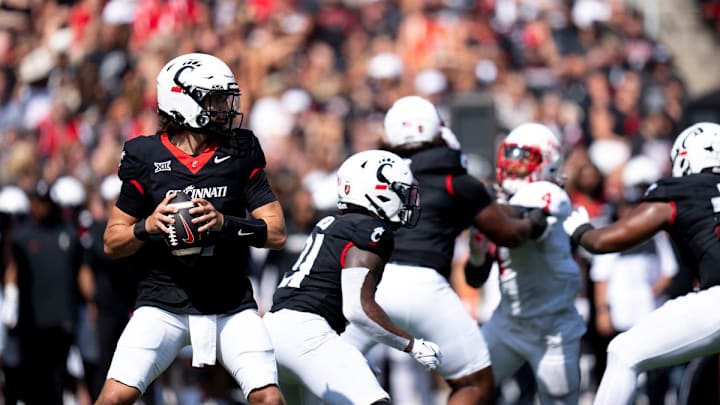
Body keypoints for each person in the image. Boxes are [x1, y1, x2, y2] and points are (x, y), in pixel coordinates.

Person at [96, 52, 287, 405]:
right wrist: (148, 227)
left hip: (230, 301)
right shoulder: (146, 156)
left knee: (269, 399)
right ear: (182, 98)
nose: (223, 107)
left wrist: (224, 224)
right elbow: (112, 240)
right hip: (163, 302)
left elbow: (276, 233)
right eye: (213, 98)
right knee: (112, 398)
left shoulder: (240, 150)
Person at [341, 95, 551, 405]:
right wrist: (535, 221)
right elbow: (507, 234)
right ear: (435, 129)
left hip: (369, 287)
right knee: (476, 384)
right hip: (426, 287)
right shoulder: (454, 179)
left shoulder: (369, 173)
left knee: (329, 374)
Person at [263, 149, 441, 405]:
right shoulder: (371, 229)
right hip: (307, 336)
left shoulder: (334, 223)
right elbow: (357, 308)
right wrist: (412, 345)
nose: (406, 199)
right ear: (379, 190)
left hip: (273, 330)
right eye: (400, 191)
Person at [563, 121, 720, 405]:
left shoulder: (683, 190)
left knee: (623, 354)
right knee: (702, 387)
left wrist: (581, 231)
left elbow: (604, 242)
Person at [474, 122, 586, 404]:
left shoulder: (550, 193)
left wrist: (479, 208)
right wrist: (476, 250)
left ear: (548, 163)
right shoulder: (498, 201)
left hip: (553, 328)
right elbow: (474, 276)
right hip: (508, 319)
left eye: (523, 156)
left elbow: (528, 220)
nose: (513, 163)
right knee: (469, 384)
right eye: (510, 153)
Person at [589, 155, 679, 403]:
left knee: (654, 375)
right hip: (621, 316)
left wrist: (649, 293)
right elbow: (601, 276)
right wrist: (602, 310)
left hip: (648, 314)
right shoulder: (614, 236)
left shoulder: (655, 236)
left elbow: (669, 270)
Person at [2, 179, 88, 405]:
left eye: (46, 203)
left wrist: (85, 307)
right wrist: (11, 302)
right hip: (31, 324)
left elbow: (80, 272)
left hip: (61, 323)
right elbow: (13, 269)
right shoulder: (21, 237)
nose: (42, 207)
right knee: (32, 382)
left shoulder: (67, 234)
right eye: (38, 202)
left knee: (57, 382)